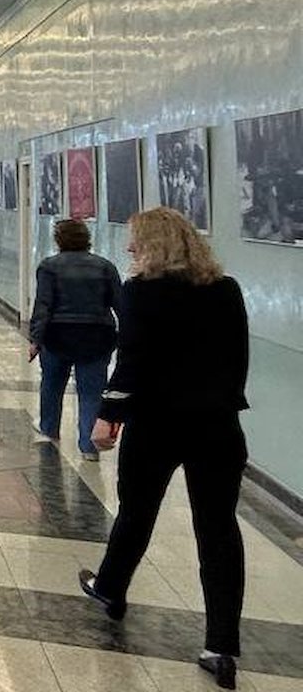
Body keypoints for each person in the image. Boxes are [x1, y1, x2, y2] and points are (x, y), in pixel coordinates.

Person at [79, 209, 250, 689]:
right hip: (217, 426)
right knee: (218, 530)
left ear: (154, 244)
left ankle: (111, 588)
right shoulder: (226, 289)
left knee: (136, 513)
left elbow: (132, 358)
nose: (129, 248)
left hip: (156, 425)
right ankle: (221, 646)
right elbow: (237, 359)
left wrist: (109, 414)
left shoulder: (142, 292)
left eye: (135, 240)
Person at [28, 219, 122, 458]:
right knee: (92, 391)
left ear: (58, 240)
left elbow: (43, 305)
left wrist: (35, 339)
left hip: (57, 335)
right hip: (96, 336)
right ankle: (89, 447)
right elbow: (120, 305)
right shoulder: (105, 267)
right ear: (86, 239)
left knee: (52, 384)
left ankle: (49, 428)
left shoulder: (49, 267)